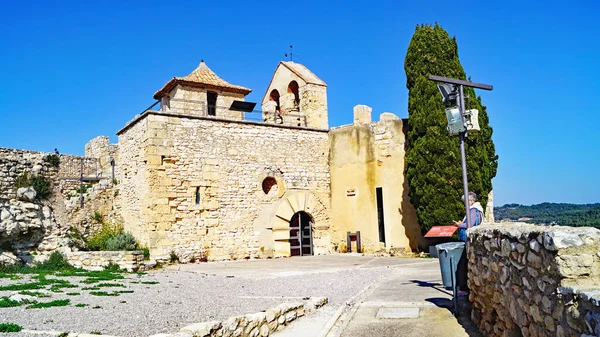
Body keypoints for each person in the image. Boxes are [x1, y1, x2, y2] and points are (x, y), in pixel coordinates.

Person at [452, 191, 484, 295]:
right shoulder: (476, 209)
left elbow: (469, 224)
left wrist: (459, 225)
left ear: (471, 201)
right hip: (468, 239)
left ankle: (463, 288)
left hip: (466, 239)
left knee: (462, 263)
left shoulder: (473, 210)